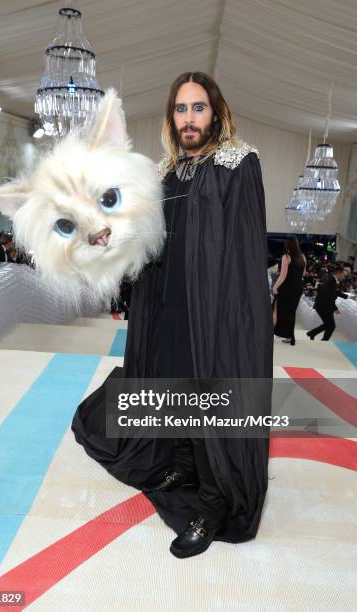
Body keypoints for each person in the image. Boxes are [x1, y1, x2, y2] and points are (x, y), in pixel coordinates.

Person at [72, 72, 273, 558]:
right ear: (172, 118)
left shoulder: (239, 163)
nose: (188, 118)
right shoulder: (165, 172)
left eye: (197, 108)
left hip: (215, 315)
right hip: (168, 310)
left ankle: (212, 502)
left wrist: (235, 323)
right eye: (180, 109)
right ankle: (181, 464)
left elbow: (245, 252)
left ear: (216, 112)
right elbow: (146, 241)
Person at [307, 264, 357, 341]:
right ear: (339, 273)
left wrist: (349, 297)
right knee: (331, 326)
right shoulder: (331, 281)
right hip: (323, 306)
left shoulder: (333, 281)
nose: (344, 277)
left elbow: (335, 292)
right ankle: (322, 339)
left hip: (325, 306)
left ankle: (312, 334)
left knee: (329, 325)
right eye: (343, 275)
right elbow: (328, 297)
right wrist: (335, 308)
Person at [272, 237, 306, 346]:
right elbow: (303, 274)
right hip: (298, 287)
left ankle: (273, 332)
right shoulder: (303, 257)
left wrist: (275, 287)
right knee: (291, 312)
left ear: (288, 245)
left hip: (287, 287)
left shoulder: (286, 257)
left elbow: (283, 276)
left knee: (276, 308)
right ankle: (290, 337)